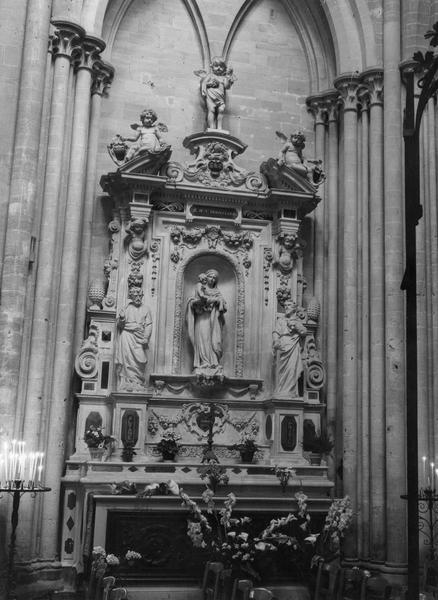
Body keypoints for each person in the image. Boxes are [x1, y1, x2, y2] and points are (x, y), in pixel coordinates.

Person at [186, 269, 227, 373]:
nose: (212, 279)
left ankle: (214, 363)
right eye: (210, 277)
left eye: (214, 278)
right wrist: (203, 302)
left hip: (214, 320)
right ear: (206, 277)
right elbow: (193, 302)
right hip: (202, 319)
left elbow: (224, 306)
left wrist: (219, 302)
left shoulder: (217, 292)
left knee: (214, 341)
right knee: (203, 339)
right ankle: (203, 362)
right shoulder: (200, 288)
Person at [115, 287, 152, 390]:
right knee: (127, 360)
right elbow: (120, 326)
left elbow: (149, 325)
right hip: (127, 336)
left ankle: (138, 382)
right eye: (135, 296)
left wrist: (146, 337)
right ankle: (127, 383)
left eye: (140, 295)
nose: (138, 298)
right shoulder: (126, 308)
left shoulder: (146, 309)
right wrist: (122, 318)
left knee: (140, 360)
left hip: (139, 338)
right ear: (131, 296)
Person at [272, 300, 307, 397]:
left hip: (293, 346)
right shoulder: (281, 320)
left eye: (289, 305)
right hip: (282, 346)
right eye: (285, 305)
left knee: (292, 369)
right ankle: (281, 390)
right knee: (281, 371)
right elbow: (275, 332)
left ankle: (291, 391)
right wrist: (276, 341)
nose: (286, 307)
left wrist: (296, 326)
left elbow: (304, 332)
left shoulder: (297, 321)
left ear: (294, 308)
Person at [195, 57, 236, 130]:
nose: (219, 68)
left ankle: (219, 127)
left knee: (221, 109)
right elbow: (204, 83)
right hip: (211, 96)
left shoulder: (223, 78)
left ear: (224, 68)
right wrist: (205, 89)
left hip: (220, 97)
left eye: (221, 66)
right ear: (212, 67)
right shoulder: (210, 75)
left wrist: (229, 77)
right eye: (216, 66)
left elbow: (227, 86)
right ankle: (212, 127)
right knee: (211, 110)